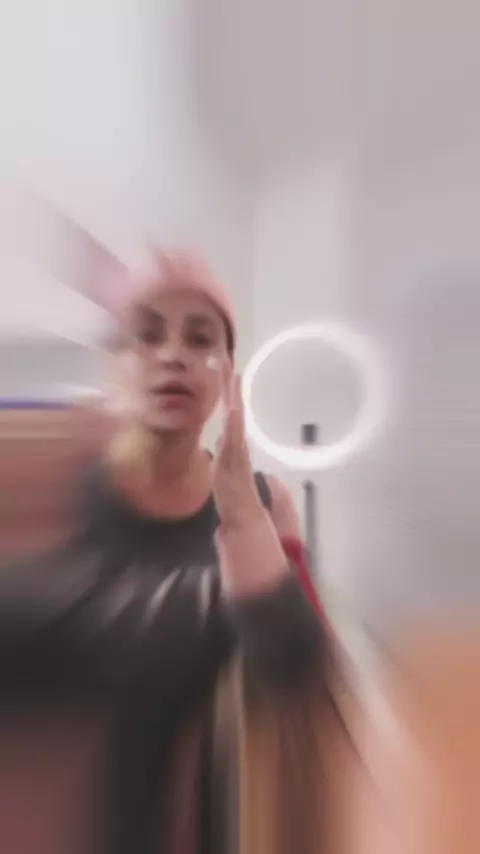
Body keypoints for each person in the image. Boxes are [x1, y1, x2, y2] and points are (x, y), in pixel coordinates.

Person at [0, 251, 334, 854]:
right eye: (147, 336)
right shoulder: (58, 491)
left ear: (228, 372)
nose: (173, 356)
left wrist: (244, 522)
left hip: (198, 819)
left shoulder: (262, 503)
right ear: (113, 365)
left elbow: (296, 670)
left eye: (200, 339)